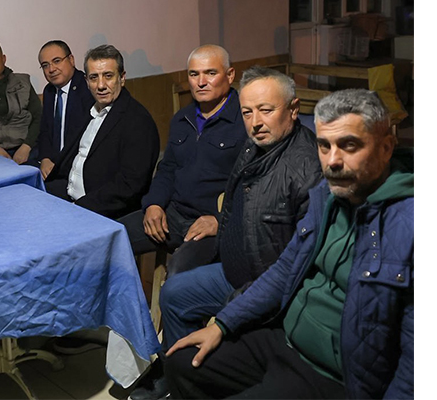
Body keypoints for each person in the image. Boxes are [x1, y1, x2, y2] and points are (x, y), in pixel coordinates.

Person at [164, 89, 413, 399]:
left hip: (334, 373)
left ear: (386, 147)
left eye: (349, 145)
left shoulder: (408, 225)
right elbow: (284, 270)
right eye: (324, 145)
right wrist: (223, 324)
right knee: (181, 362)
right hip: (286, 338)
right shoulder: (328, 196)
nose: (333, 161)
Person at [128, 67, 321, 400]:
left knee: (187, 283)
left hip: (264, 284)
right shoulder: (254, 146)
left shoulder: (306, 170)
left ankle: (201, 377)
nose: (255, 122)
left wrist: (231, 310)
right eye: (247, 112)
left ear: (293, 109)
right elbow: (232, 206)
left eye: (266, 110)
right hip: (235, 269)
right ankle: (179, 374)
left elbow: (292, 269)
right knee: (174, 294)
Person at [120, 45, 247, 277]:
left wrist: (221, 221)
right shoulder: (182, 118)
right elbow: (167, 167)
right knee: (111, 240)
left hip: (212, 224)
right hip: (173, 214)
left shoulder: (245, 120)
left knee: (178, 276)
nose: (201, 82)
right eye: (194, 74)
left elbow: (255, 185)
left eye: (210, 73)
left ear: (230, 75)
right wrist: (154, 204)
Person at [45, 44, 160, 219]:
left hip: (98, 210)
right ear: (86, 81)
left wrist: (77, 208)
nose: (100, 85)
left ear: (122, 78)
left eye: (108, 76)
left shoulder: (138, 121)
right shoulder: (92, 110)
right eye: (94, 78)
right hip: (69, 194)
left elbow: (129, 186)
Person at [36, 40, 94, 180]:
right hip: (52, 164)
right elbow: (45, 130)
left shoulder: (88, 88)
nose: (51, 69)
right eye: (45, 65)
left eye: (57, 61)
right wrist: (45, 158)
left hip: (78, 167)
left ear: (71, 60)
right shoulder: (49, 91)